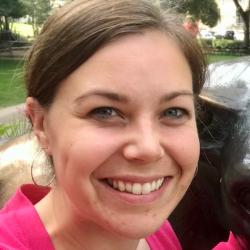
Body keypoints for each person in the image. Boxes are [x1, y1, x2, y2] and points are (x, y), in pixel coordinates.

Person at [0, 0, 231, 249]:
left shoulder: (155, 228)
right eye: (105, 111)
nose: (148, 148)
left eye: (173, 112)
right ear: (42, 125)